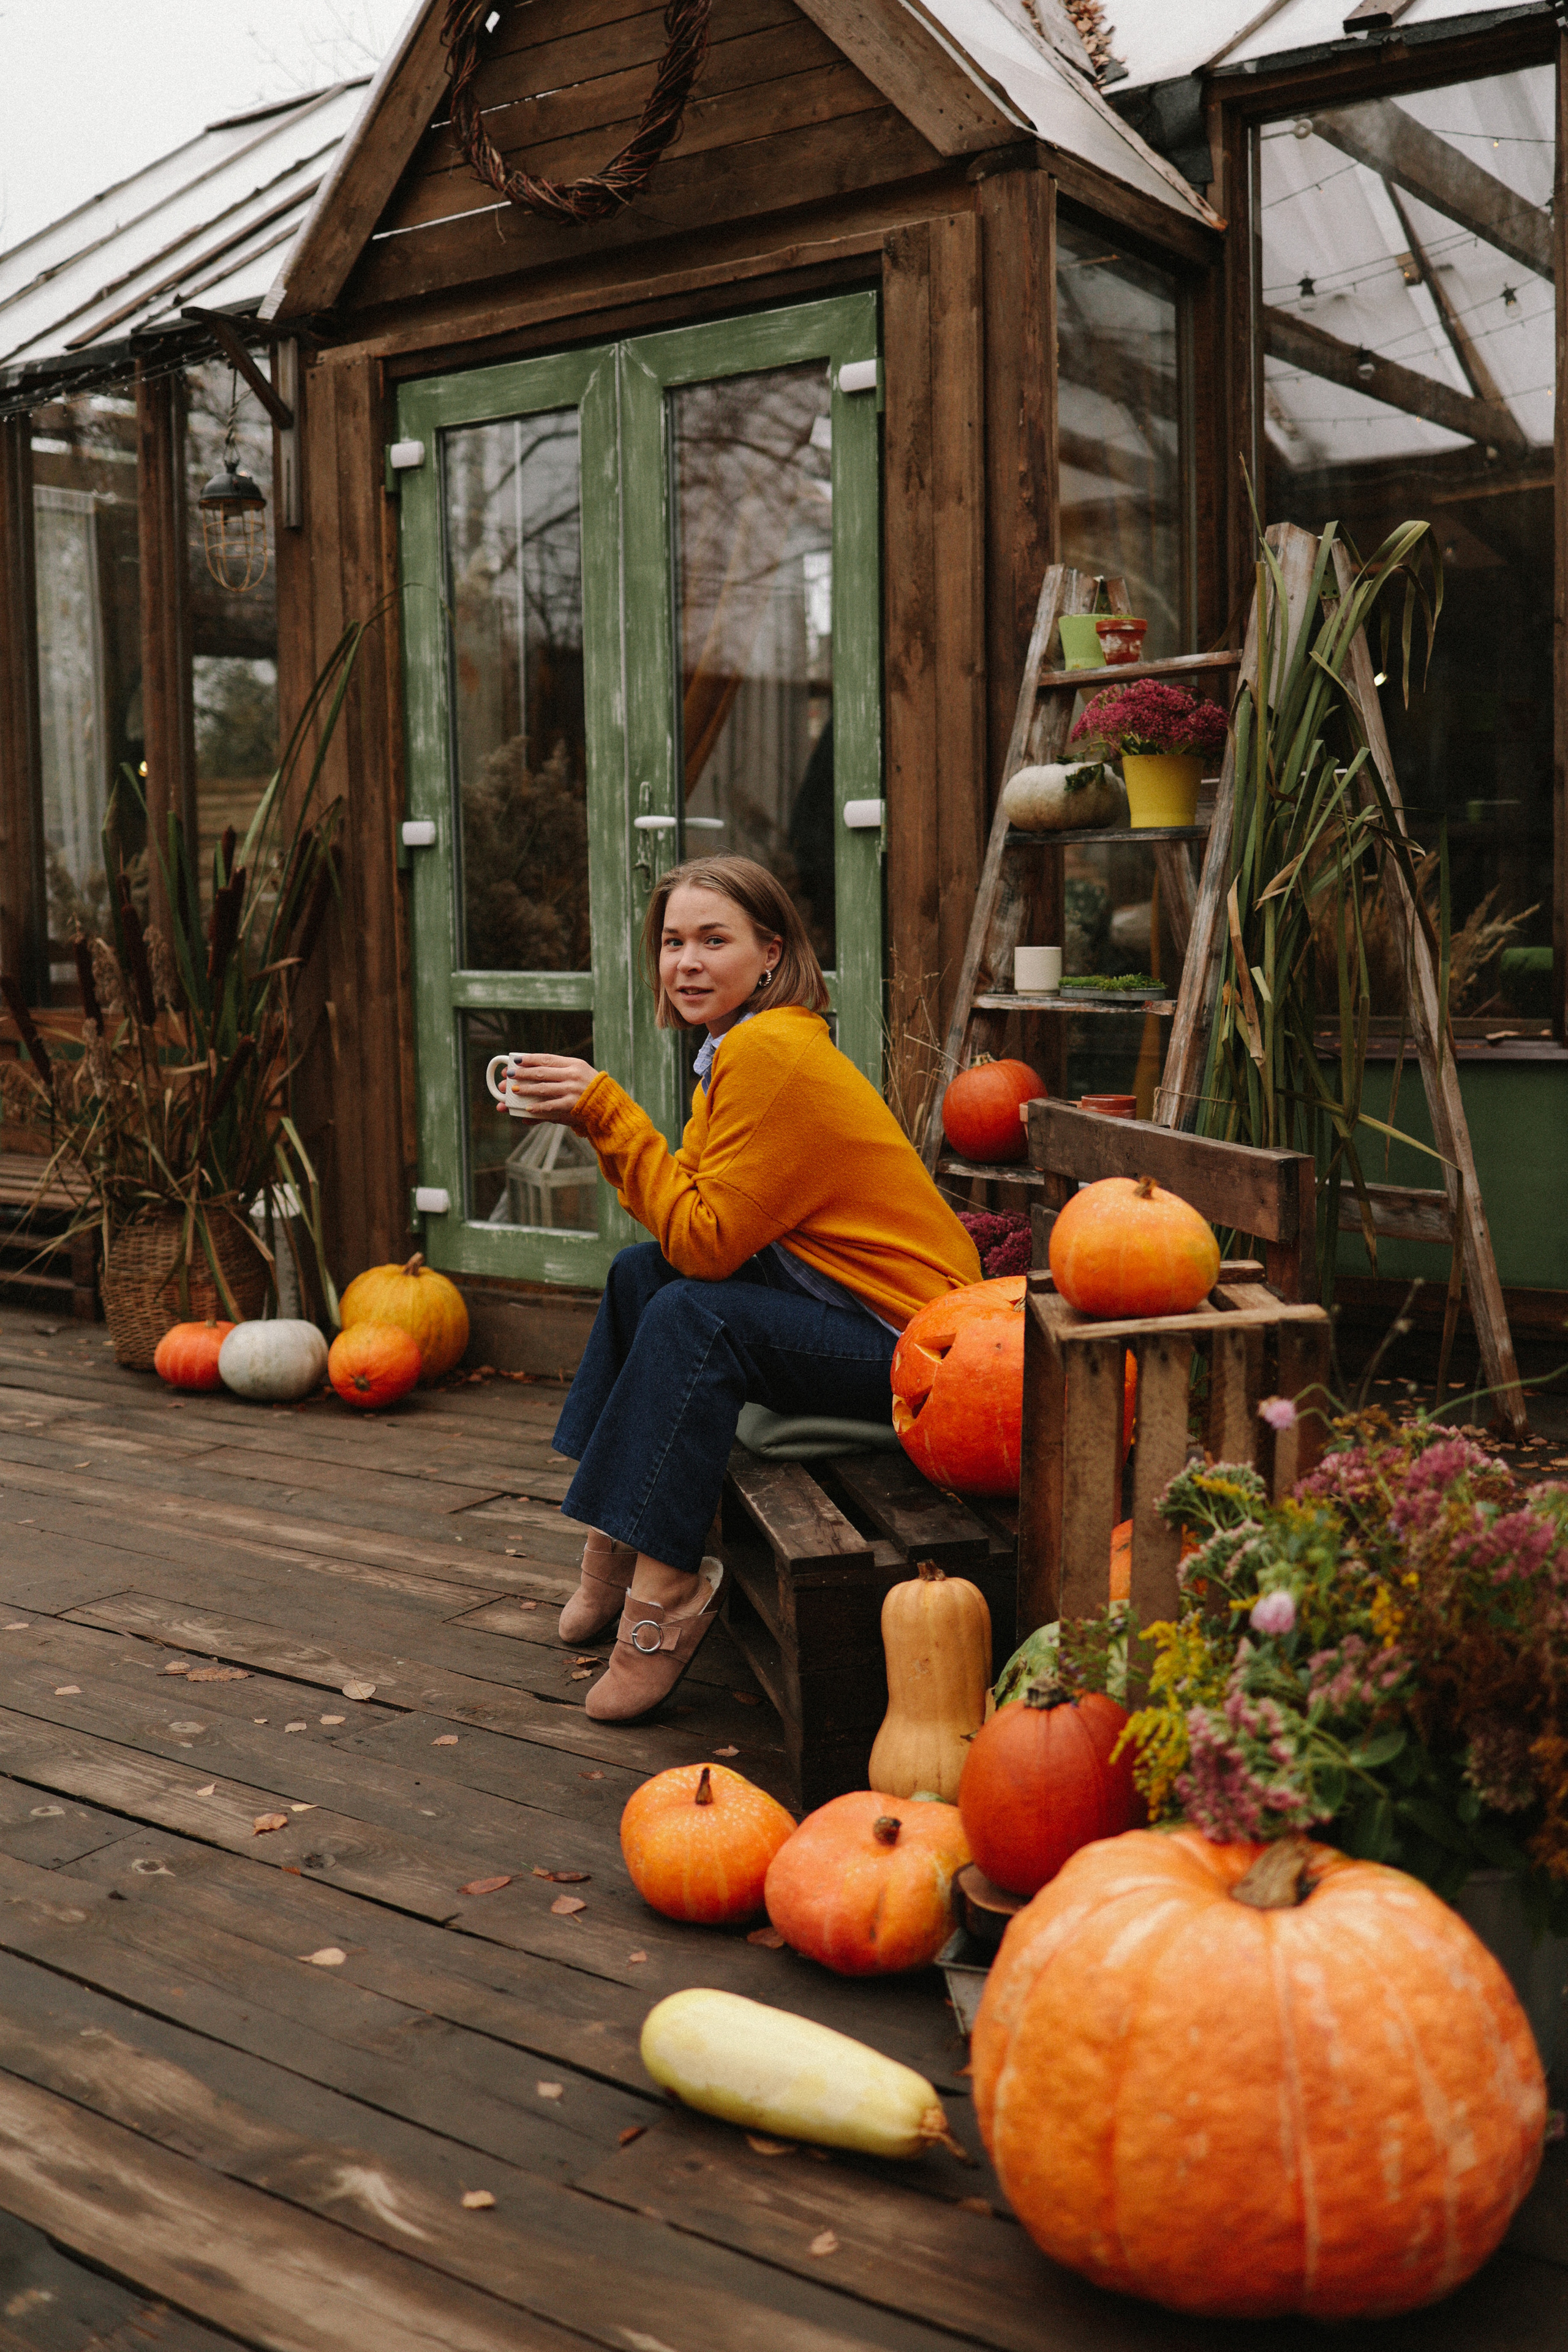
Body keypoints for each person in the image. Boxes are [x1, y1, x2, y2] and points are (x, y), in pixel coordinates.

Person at [500, 855, 981, 1722]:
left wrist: (608, 1114)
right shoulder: (737, 1047)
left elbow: (709, 1246)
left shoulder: (771, 1051)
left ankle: (664, 1592)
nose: (686, 962)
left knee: (693, 1312)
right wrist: (601, 1124)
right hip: (849, 1309)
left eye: (713, 940)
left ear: (771, 953)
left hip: (920, 1353)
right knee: (640, 1274)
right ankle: (613, 1538)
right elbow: (684, 1222)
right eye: (672, 941)